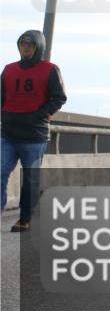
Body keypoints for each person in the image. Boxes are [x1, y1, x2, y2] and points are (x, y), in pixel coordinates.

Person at [1, 30, 67, 232]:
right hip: (8, 134)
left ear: (39, 46)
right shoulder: (9, 69)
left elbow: (59, 98)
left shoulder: (50, 69)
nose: (26, 47)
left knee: (30, 179)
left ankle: (25, 218)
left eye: (31, 44)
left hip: (34, 137)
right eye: (23, 43)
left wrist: (39, 114)